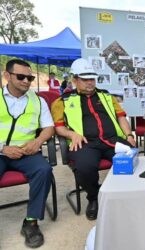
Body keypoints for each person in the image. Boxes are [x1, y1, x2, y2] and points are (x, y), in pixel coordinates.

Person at [51, 58, 136, 220]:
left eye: (92, 78)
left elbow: (121, 117)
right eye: (85, 79)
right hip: (84, 143)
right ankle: (94, 197)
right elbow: (58, 127)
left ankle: (121, 195)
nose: (90, 82)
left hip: (112, 140)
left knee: (131, 159)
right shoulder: (62, 101)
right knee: (85, 167)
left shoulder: (107, 96)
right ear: (74, 80)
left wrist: (129, 135)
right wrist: (71, 134)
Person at [0, 59, 55, 248]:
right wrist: (3, 148)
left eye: (29, 77)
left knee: (44, 170)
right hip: (1, 151)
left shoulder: (38, 101)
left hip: (27, 152)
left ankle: (31, 222)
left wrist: (38, 141)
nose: (26, 81)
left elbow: (49, 127)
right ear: (7, 76)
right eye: (21, 76)